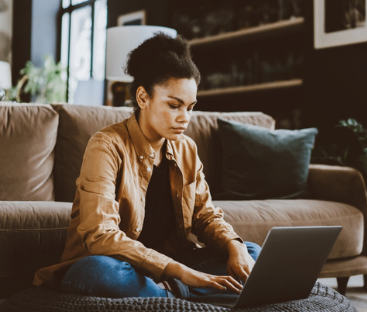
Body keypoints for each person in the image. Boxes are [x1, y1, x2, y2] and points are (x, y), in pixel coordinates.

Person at [33, 32, 261, 299]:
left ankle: (166, 296)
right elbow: (100, 235)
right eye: (174, 105)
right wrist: (179, 271)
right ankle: (188, 294)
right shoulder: (106, 145)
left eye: (190, 107)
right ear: (143, 98)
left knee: (252, 253)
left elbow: (205, 216)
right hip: (119, 265)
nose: (185, 118)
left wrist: (235, 247)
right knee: (97, 272)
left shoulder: (186, 148)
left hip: (169, 264)